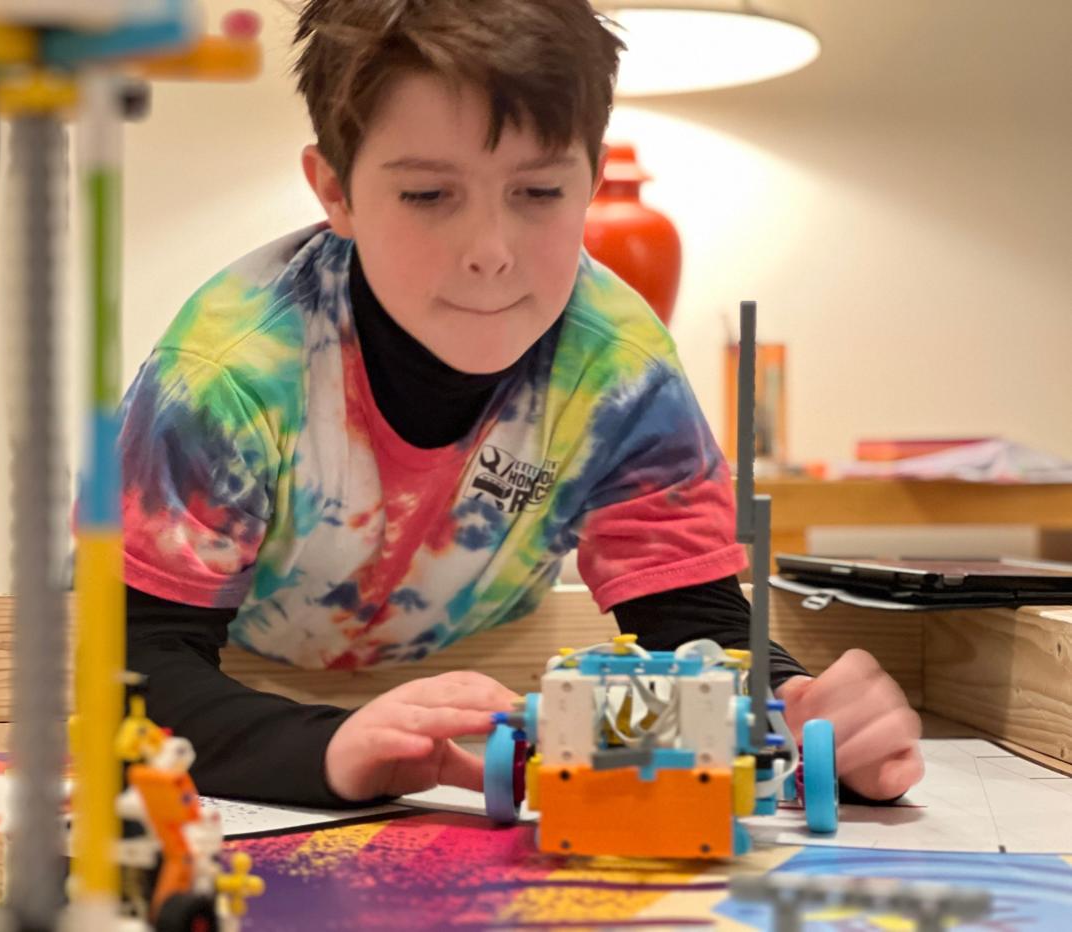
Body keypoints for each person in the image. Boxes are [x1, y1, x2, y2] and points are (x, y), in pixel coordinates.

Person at [121, 0, 923, 809]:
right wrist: (327, 747)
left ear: (593, 181)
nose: (491, 255)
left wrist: (798, 709)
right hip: (233, 686)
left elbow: (690, 615)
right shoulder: (226, 372)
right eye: (429, 195)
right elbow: (128, 662)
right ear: (336, 190)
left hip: (482, 677)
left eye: (538, 191)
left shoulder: (617, 365)